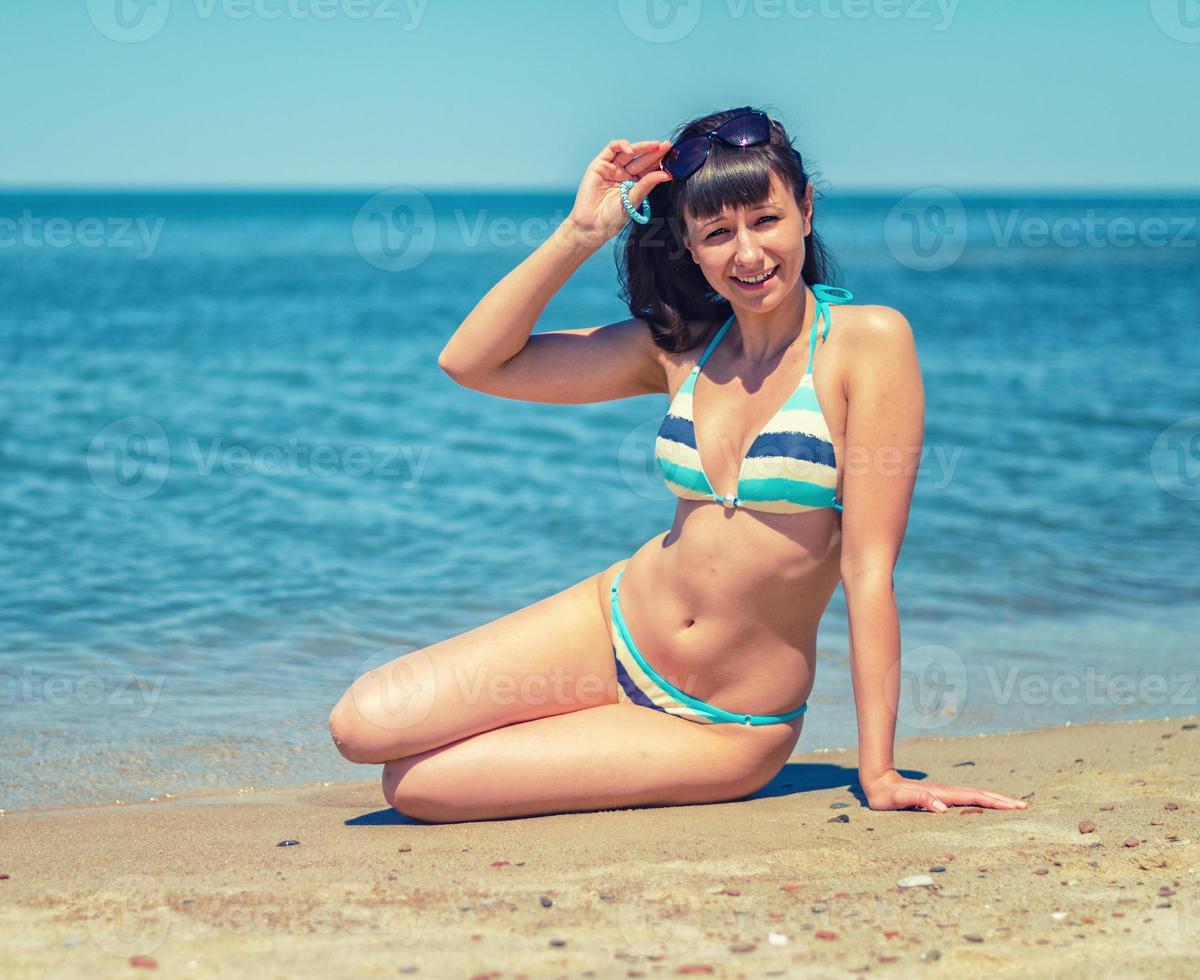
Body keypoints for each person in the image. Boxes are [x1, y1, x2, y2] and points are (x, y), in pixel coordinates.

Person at [329, 107, 1028, 823]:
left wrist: (878, 772)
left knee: (417, 789)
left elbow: (869, 572)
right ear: (690, 247)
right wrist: (581, 235)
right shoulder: (679, 348)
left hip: (722, 725)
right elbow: (472, 361)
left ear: (806, 210)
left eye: (766, 220)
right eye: (718, 233)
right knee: (363, 723)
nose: (748, 253)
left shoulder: (868, 343)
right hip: (613, 626)